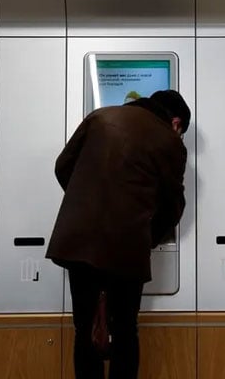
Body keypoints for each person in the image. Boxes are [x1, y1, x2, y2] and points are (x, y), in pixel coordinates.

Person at [46, 90, 190, 379]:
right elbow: (173, 206)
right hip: (126, 246)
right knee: (124, 330)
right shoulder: (168, 141)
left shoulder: (100, 117)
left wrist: (87, 204)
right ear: (175, 123)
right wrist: (146, 235)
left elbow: (63, 167)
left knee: (84, 328)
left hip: (79, 241)